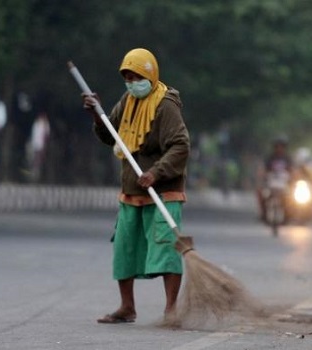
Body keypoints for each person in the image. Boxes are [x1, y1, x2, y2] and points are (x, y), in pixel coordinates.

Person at [82, 48, 190, 324]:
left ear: (150, 74)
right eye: (127, 78)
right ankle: (127, 307)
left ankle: (170, 310)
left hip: (163, 192)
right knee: (124, 248)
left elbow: (180, 145)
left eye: (137, 76)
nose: (132, 82)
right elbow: (111, 135)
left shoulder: (166, 104)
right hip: (132, 190)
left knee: (167, 249)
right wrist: (97, 114)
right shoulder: (128, 101)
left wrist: (156, 172)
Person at [255, 136, 293, 222]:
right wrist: (262, 175)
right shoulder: (270, 158)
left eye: (281, 146)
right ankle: (263, 213)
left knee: (291, 196)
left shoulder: (288, 158)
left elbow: (292, 170)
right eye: (277, 146)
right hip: (271, 182)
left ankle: (288, 213)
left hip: (283, 183)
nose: (279, 148)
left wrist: (293, 177)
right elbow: (263, 169)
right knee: (260, 192)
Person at [30, 112, 51, 181]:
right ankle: (34, 171)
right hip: (35, 143)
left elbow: (47, 135)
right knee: (35, 157)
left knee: (39, 158)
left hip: (42, 144)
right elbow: (34, 134)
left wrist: (45, 144)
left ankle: (39, 172)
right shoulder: (36, 124)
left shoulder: (46, 125)